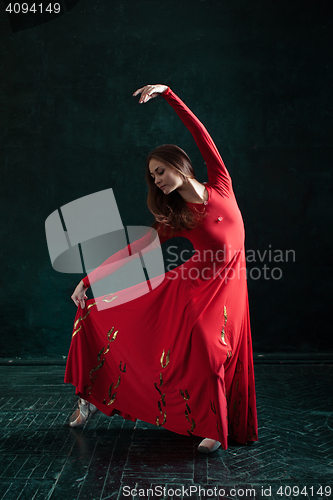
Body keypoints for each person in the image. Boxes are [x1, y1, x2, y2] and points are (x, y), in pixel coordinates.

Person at [65, 84, 258, 453]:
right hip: (192, 292)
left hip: (230, 292)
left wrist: (169, 94)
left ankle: (214, 423)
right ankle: (212, 428)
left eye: (160, 171)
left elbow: (200, 133)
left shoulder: (221, 185)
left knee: (219, 354)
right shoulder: (178, 219)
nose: (156, 180)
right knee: (204, 348)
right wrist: (89, 279)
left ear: (178, 165)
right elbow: (134, 250)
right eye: (152, 176)